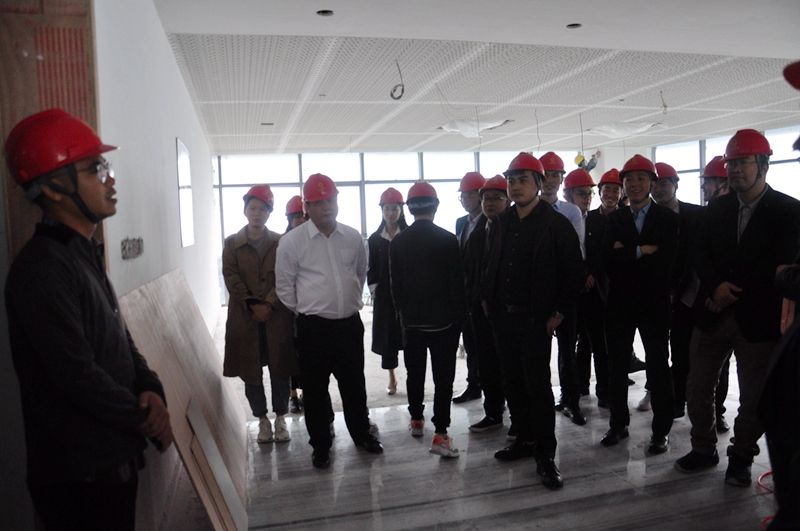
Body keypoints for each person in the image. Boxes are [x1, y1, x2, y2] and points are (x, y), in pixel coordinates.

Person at [4, 109, 174, 530]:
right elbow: (75, 374)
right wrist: (145, 417)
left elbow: (119, 338)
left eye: (105, 167)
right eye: (95, 169)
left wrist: (150, 386)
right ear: (54, 188)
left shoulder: (81, 252)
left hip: (112, 463)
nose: (110, 180)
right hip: (80, 480)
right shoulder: (42, 268)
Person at [675, 130, 800, 487]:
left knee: (754, 396)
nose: (735, 170)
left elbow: (781, 264)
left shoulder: (789, 210)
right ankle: (703, 448)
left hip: (758, 317)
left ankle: (742, 456)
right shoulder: (717, 208)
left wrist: (729, 291)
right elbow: (700, 253)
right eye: (731, 163)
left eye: (743, 162)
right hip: (712, 314)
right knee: (697, 387)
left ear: (763, 165)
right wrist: (715, 286)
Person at [482, 152, 585, 490]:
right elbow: (490, 262)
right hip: (503, 317)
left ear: (539, 184)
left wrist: (558, 313)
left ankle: (545, 455)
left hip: (535, 320)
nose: (515, 186)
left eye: (523, 180)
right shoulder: (501, 222)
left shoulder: (556, 224)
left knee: (538, 388)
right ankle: (524, 440)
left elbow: (574, 273)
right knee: (512, 383)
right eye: (511, 180)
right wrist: (487, 298)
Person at [275, 173, 383, 469]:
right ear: (307, 207)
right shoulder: (292, 242)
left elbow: (359, 272)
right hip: (313, 329)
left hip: (349, 325)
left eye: (331, 200)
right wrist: (309, 310)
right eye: (319, 202)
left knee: (354, 385)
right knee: (315, 390)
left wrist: (344, 303)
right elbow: (284, 287)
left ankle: (361, 434)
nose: (327, 207)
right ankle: (321, 445)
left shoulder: (352, 236)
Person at [600, 154, 679, 455]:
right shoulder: (614, 219)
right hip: (619, 303)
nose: (634, 184)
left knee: (658, 365)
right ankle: (618, 424)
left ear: (652, 183)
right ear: (623, 185)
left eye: (641, 179)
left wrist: (626, 251)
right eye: (629, 179)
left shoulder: (667, 218)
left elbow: (666, 262)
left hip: (654, 302)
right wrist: (642, 250)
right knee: (617, 365)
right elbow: (607, 260)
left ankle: (661, 431)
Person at [390, 182, 465, 457]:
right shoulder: (448, 240)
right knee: (443, 378)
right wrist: (459, 320)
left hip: (412, 322)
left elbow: (395, 286)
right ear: (436, 207)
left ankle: (416, 420)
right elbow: (457, 285)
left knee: (415, 374)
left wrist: (402, 314)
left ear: (408, 209)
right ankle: (441, 435)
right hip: (443, 322)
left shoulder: (399, 242)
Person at [222, 185, 299, 444]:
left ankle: (281, 419)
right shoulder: (232, 243)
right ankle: (262, 420)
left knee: (280, 368)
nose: (257, 213)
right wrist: (253, 305)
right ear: (245, 210)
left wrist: (268, 304)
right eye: (252, 208)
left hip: (276, 316)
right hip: (245, 317)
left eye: (263, 209)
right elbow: (231, 278)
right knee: (250, 370)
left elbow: (286, 276)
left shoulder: (281, 242)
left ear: (269, 213)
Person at [647, 162, 704, 420]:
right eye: (655, 185)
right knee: (658, 351)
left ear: (675, 185)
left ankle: (681, 400)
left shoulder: (696, 215)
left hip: (687, 296)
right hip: (656, 294)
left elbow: (699, 255)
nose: (659, 190)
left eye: (664, 184)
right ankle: (659, 393)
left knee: (684, 352)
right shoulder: (645, 217)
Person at [538, 152, 586, 425]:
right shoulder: (524, 212)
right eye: (546, 175)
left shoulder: (571, 212)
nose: (550, 180)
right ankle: (539, 403)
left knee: (568, 349)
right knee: (537, 353)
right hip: (536, 293)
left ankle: (571, 401)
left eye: (555, 175)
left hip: (566, 290)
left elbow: (575, 252)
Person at [465, 175, 509, 433]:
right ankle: (493, 413)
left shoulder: (513, 228)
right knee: (487, 363)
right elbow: (472, 269)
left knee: (510, 366)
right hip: (480, 311)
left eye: (496, 198)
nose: (490, 203)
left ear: (508, 200)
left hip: (506, 311)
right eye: (486, 199)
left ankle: (520, 422)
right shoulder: (479, 229)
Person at [564, 169, 610, 410]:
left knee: (599, 343)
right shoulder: (561, 221)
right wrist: (580, 276)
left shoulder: (598, 220)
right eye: (581, 193)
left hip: (595, 291)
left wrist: (591, 273)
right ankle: (577, 388)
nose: (587, 198)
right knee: (573, 345)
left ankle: (604, 392)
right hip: (571, 292)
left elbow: (602, 252)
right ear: (568, 195)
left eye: (589, 193)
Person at [367, 187, 408, 395]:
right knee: (388, 339)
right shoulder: (375, 239)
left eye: (394, 209)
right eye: (387, 209)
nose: (390, 213)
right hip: (384, 297)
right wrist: (375, 291)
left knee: (409, 337)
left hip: (407, 296)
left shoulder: (409, 235)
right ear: (382, 211)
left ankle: (413, 374)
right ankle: (392, 376)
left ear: (401, 210)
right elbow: (371, 268)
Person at [453, 172, 486, 404]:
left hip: (483, 295)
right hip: (465, 295)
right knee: (471, 344)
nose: (465, 200)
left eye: (469, 196)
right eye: (462, 196)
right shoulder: (461, 222)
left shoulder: (492, 221)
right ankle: (473, 385)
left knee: (487, 346)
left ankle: (495, 391)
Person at [284, 194, 306, 414]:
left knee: (308, 353)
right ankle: (292, 395)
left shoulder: (315, 241)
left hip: (310, 307)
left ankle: (307, 392)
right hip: (288, 309)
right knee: (291, 352)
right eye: (296, 216)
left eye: (303, 216)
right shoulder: (283, 244)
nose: (300, 220)